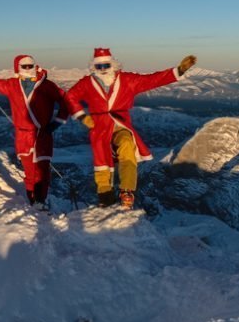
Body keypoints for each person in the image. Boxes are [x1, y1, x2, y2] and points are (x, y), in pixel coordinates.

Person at [64, 48, 197, 209]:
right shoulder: (87, 83)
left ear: (112, 64)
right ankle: (105, 195)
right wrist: (82, 117)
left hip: (120, 124)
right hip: (98, 127)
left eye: (106, 65)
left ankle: (127, 190)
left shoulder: (127, 80)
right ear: (94, 68)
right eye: (99, 67)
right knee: (102, 159)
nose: (103, 70)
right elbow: (70, 97)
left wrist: (178, 71)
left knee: (127, 144)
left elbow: (152, 80)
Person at [0, 55, 69, 208]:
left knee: (43, 172)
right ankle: (33, 202)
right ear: (18, 68)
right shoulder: (12, 85)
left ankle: (40, 201)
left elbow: (67, 102)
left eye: (31, 65)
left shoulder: (47, 85)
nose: (28, 69)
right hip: (24, 136)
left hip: (42, 134)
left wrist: (57, 122)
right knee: (30, 173)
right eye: (24, 66)